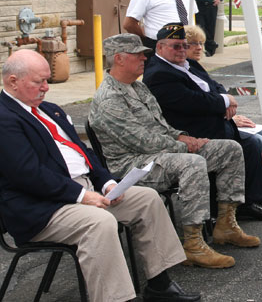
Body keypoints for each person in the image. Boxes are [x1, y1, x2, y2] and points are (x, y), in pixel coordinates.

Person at [0, 49, 199, 302]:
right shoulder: (4, 118)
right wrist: (83, 196)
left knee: (148, 199)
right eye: (38, 81)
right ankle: (116, 298)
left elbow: (85, 153)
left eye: (47, 80)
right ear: (13, 81)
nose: (46, 88)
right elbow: (27, 174)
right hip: (42, 208)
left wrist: (106, 183)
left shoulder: (49, 109)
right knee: (99, 222)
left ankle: (159, 284)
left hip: (79, 193)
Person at [89, 33, 261, 270]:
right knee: (191, 163)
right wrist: (184, 145)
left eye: (144, 55)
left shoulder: (138, 87)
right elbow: (141, 141)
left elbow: (161, 127)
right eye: (138, 55)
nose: (144, 59)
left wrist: (182, 136)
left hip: (159, 153)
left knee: (230, 149)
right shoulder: (109, 98)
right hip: (134, 164)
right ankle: (192, 244)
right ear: (119, 59)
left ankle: (225, 225)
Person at [144, 23, 262, 221]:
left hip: (213, 124)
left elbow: (214, 85)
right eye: (176, 46)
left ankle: (247, 200)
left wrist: (225, 98)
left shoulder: (188, 64)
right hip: (193, 132)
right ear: (160, 48)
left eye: (183, 45)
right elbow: (192, 101)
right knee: (250, 144)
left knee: (254, 141)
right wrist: (225, 101)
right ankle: (236, 205)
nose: (181, 50)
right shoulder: (159, 74)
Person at [184, 25, 262, 154]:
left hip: (217, 118)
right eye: (193, 43)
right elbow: (199, 102)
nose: (199, 48)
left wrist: (227, 102)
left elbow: (216, 86)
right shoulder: (179, 71)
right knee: (256, 142)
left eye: (201, 43)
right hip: (203, 129)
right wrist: (226, 111)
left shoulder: (193, 66)